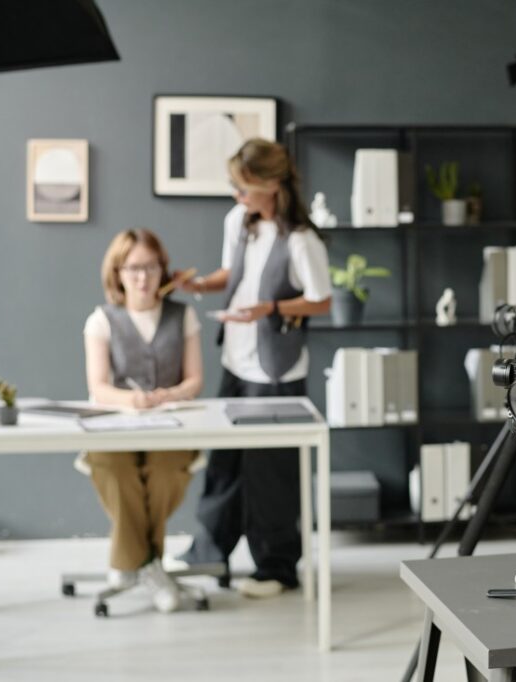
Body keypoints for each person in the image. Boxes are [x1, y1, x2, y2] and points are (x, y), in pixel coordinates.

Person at [171, 138, 332, 599]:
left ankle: (277, 567)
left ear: (272, 185)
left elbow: (321, 302)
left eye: (244, 189)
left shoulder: (301, 240)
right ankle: (209, 551)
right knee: (225, 461)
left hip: (275, 370)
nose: (236, 197)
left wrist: (271, 308)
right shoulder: (239, 223)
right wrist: (198, 285)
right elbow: (231, 273)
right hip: (236, 359)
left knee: (271, 471)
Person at [82, 228, 204, 613]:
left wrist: (171, 395)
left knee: (166, 471)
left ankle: (127, 561)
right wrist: (132, 399)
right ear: (117, 272)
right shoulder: (101, 320)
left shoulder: (183, 315)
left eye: (151, 267)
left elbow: (194, 380)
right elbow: (99, 386)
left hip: (169, 426)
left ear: (162, 269)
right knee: (116, 471)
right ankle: (150, 565)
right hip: (113, 426)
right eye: (133, 268)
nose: (142, 277)